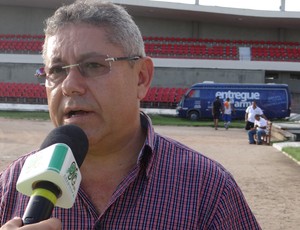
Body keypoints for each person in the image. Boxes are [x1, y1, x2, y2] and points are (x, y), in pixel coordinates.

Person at [0, 0, 261, 229]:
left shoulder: (208, 190)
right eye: (56, 70)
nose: (69, 85)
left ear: (141, 77)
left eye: (93, 65)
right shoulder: (11, 184)